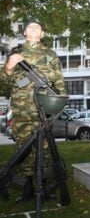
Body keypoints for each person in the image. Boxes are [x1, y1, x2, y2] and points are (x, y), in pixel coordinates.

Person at [0, 18, 66, 202]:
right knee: (23, 148)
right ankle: (27, 186)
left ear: (42, 33)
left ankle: (42, 186)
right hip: (21, 110)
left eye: (38, 27)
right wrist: (9, 68)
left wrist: (59, 104)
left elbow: (59, 82)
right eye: (30, 26)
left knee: (43, 149)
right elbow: (3, 88)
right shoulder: (15, 54)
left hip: (43, 109)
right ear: (25, 33)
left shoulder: (50, 55)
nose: (34, 29)